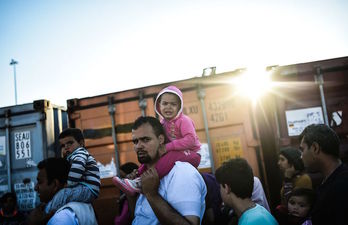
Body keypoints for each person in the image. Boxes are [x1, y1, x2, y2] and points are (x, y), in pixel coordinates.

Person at [113, 85, 201, 195]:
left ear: (180, 107)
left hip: (192, 153)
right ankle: (137, 175)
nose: (168, 107)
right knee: (154, 156)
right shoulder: (162, 124)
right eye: (165, 104)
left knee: (170, 155)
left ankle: (142, 182)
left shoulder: (184, 120)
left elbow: (191, 140)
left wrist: (168, 147)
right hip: (176, 151)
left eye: (173, 104)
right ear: (159, 106)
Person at [126, 116, 206, 225]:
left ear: (160, 140)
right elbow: (140, 219)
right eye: (135, 141)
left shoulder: (182, 173)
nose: (139, 146)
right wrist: (131, 196)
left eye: (146, 140)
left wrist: (152, 195)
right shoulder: (144, 176)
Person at [299, 124, 348, 225]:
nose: (301, 156)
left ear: (315, 148)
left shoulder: (341, 187)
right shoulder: (331, 180)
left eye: (302, 149)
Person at [45, 128, 101, 213]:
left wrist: (69, 184)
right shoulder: (74, 155)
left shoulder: (80, 153)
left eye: (69, 143)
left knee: (63, 194)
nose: (66, 148)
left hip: (87, 189)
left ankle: (46, 213)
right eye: (63, 146)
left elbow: (77, 168)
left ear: (81, 143)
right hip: (85, 188)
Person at [27, 157, 98, 225]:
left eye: (40, 182)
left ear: (55, 184)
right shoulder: (80, 205)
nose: (35, 188)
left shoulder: (62, 218)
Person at [215, 158, 278, 225]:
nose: (220, 191)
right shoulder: (257, 212)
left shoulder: (251, 221)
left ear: (226, 188)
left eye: (220, 187)